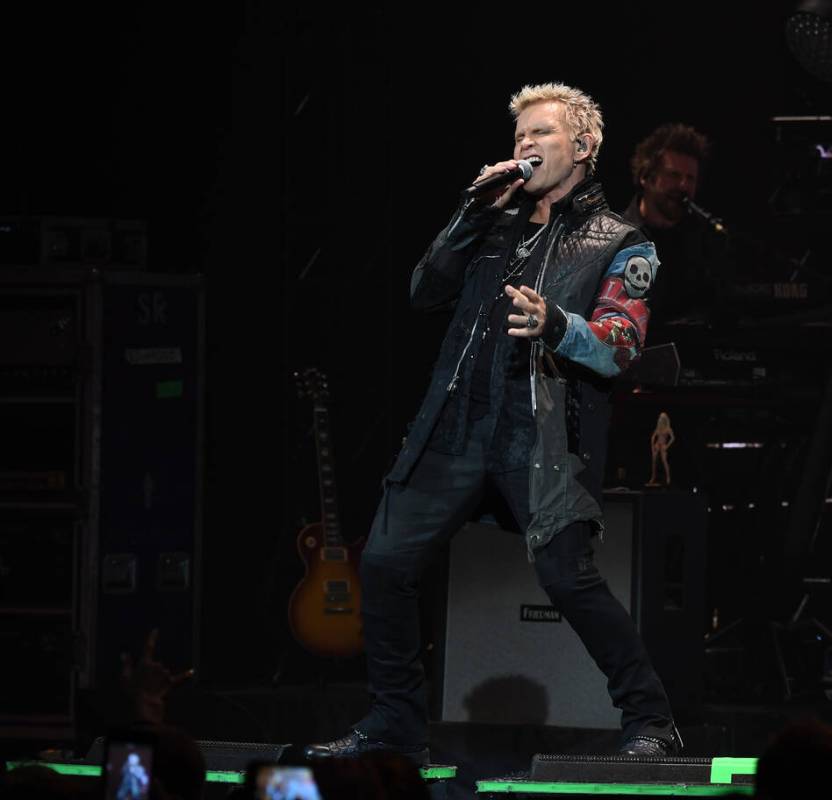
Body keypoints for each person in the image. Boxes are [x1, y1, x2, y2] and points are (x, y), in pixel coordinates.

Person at [305, 82, 680, 763]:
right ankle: (395, 723)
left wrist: (554, 323)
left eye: (541, 133)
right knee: (386, 565)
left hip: (539, 436)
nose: (525, 146)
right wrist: (467, 213)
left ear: (584, 147)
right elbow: (424, 291)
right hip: (455, 424)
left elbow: (619, 346)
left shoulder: (621, 242)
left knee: (568, 578)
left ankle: (650, 720)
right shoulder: (491, 220)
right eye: (518, 138)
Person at [622, 123, 726, 338]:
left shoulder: (704, 240)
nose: (683, 186)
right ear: (646, 177)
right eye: (673, 175)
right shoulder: (616, 237)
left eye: (690, 179)